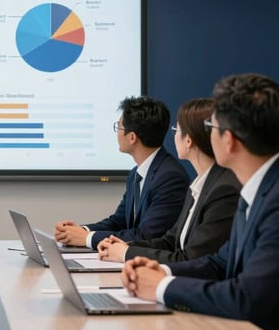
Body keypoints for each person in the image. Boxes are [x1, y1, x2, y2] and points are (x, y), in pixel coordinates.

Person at [122, 74, 279, 330]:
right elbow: (219, 263)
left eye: (211, 126)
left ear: (230, 140)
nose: (207, 134)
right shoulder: (262, 186)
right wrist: (162, 271)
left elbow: (246, 298)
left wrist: (161, 287)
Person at [98, 98, 240, 263]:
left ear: (188, 141)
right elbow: (170, 241)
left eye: (176, 130)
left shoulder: (222, 189)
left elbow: (191, 258)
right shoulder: (198, 186)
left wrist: (126, 253)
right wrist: (124, 247)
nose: (173, 135)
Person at [55, 96, 189, 249]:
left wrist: (87, 238)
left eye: (119, 127)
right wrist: (80, 231)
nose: (117, 133)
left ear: (132, 137)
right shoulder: (136, 174)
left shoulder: (170, 177)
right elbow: (118, 222)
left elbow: (145, 236)